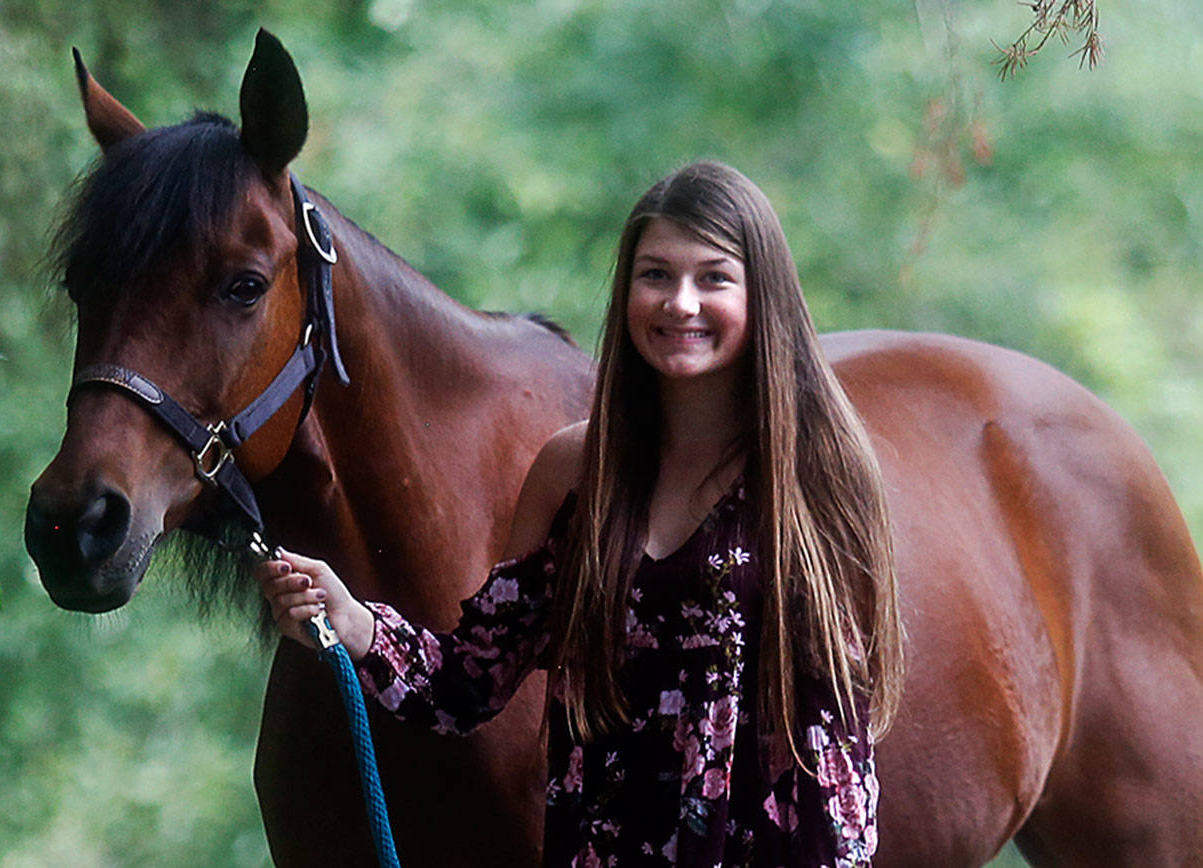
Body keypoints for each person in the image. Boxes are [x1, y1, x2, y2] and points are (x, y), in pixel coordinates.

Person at [256, 161, 904, 867]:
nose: (679, 303)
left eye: (714, 277)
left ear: (763, 296)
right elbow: (470, 680)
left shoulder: (817, 476)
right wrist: (351, 619)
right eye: (655, 275)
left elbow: (839, 754)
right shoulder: (573, 472)